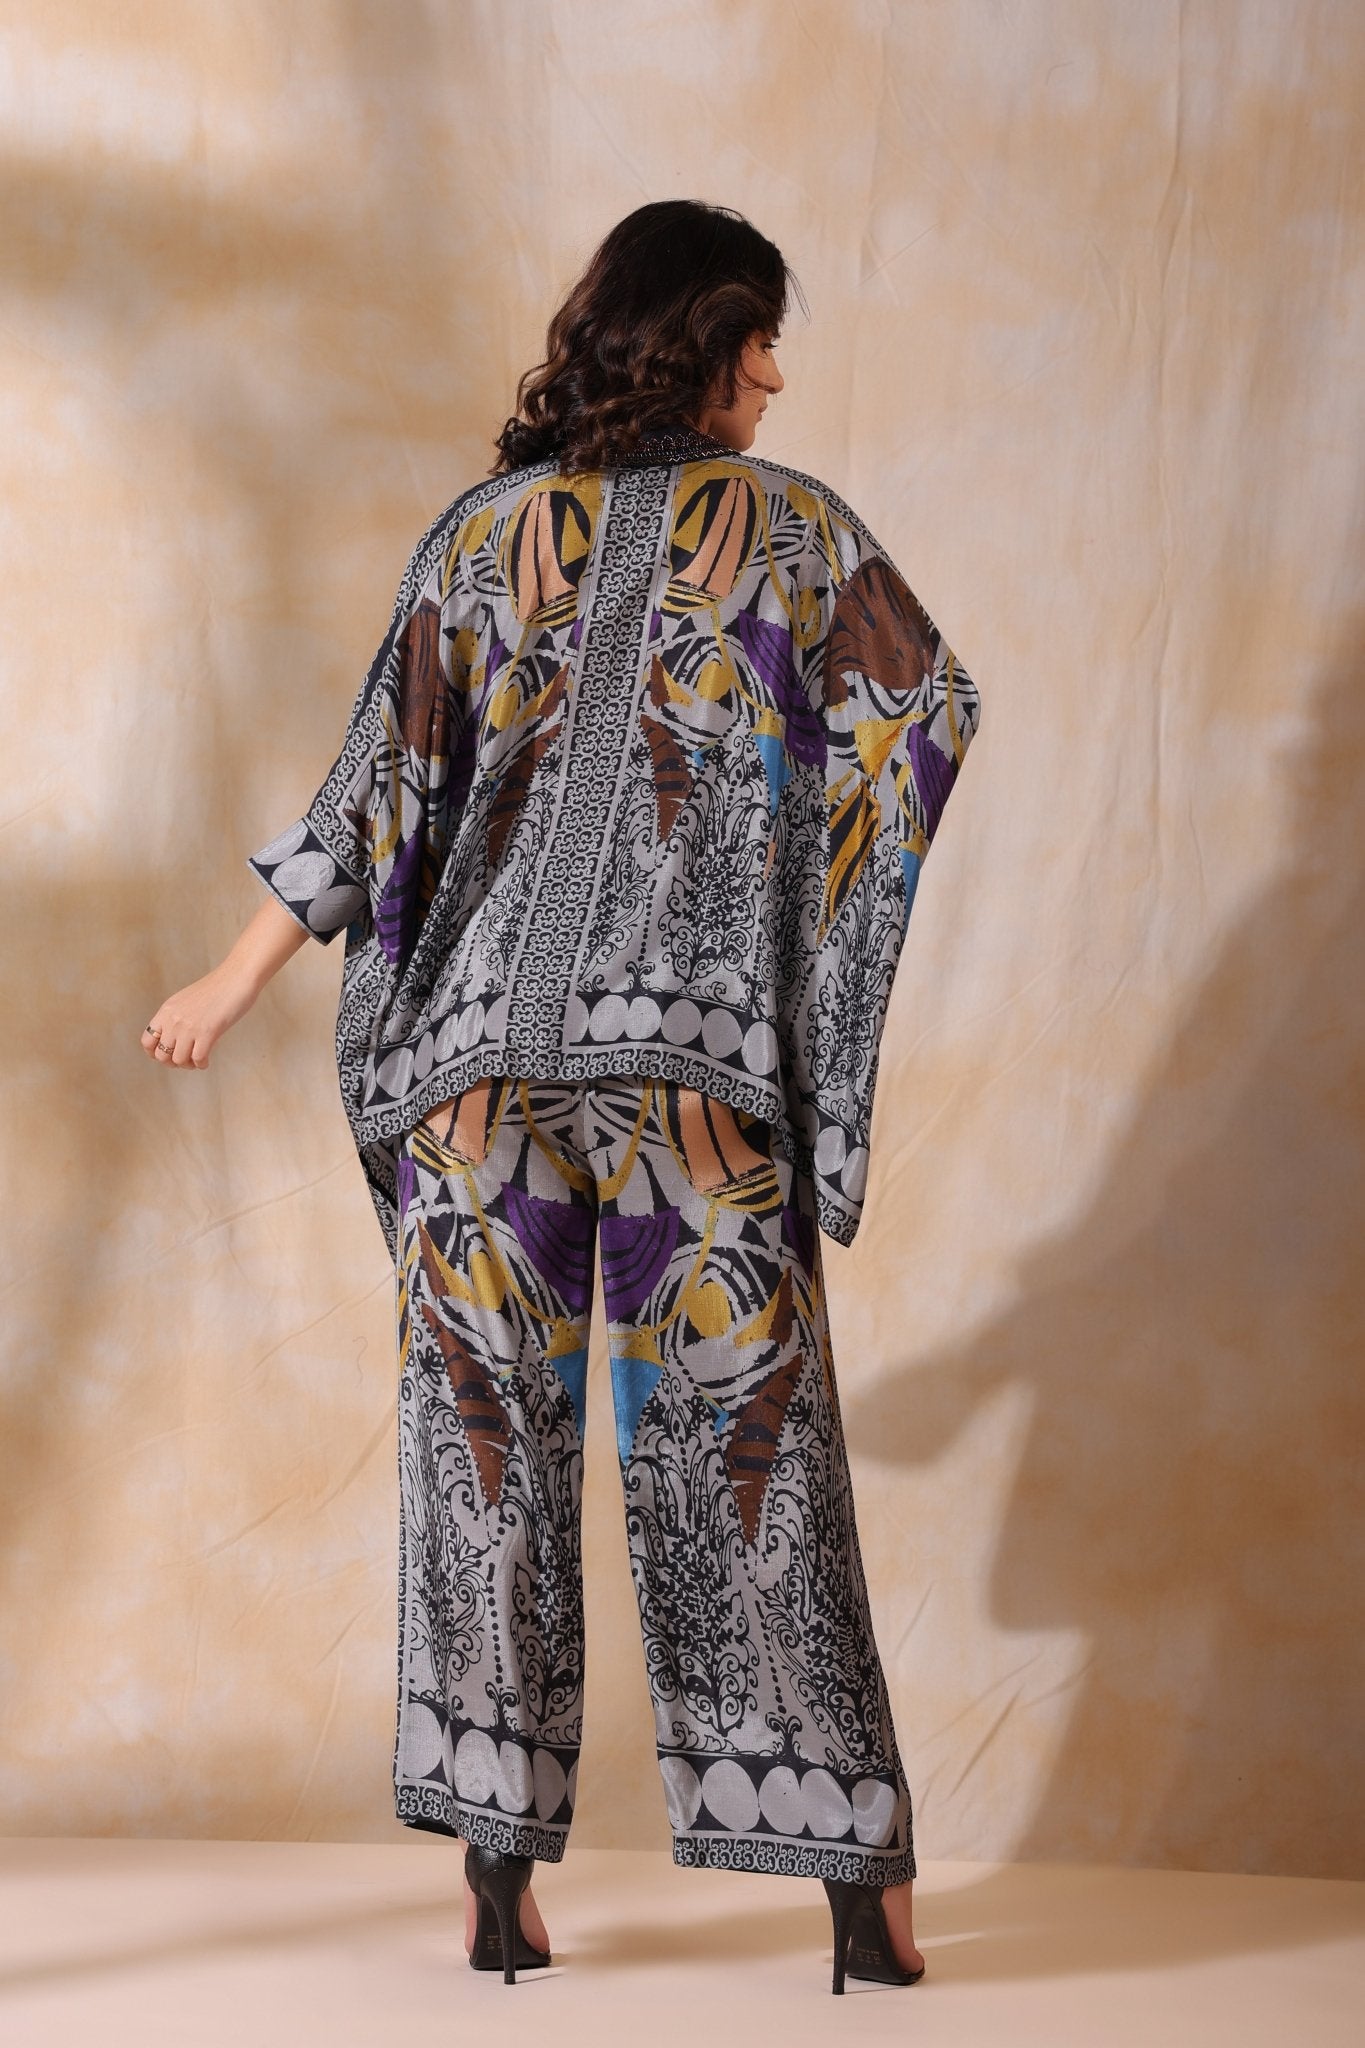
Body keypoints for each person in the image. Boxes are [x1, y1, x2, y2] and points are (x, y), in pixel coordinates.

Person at [141, 198, 981, 1994]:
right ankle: (861, 1902)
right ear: (697, 338)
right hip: (693, 1085)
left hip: (477, 1081)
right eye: (755, 336)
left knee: (484, 1464)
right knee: (748, 1466)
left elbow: (376, 789)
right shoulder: (793, 533)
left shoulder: (481, 536)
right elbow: (920, 719)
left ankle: (496, 1886)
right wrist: (772, 933)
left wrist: (230, 977)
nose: (774, 375)